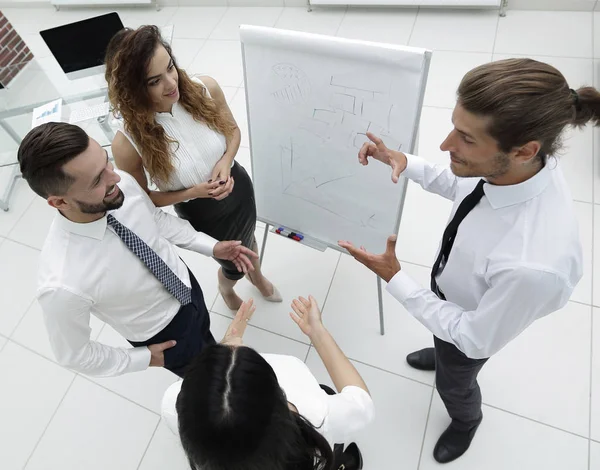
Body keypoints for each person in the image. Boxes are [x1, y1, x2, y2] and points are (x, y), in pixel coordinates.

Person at [339, 58, 589, 463]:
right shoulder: (517, 168)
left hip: (474, 321)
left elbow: (474, 336)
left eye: (466, 139)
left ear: (524, 150)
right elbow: (463, 183)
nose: (445, 145)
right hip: (453, 294)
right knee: (443, 338)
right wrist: (407, 163)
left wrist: (396, 278)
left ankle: (465, 420)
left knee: (455, 381)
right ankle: (441, 352)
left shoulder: (532, 266)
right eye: (455, 127)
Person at [18, 122, 258, 378]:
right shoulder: (61, 283)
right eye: (98, 179)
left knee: (207, 339)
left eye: (106, 160)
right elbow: (75, 355)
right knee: (210, 379)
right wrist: (143, 358)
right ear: (60, 202)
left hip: (186, 286)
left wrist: (211, 247)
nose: (116, 177)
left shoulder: (122, 188)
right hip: (164, 333)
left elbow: (156, 219)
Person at [105, 25, 280, 312]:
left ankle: (258, 277)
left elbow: (233, 131)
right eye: (154, 81)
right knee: (232, 263)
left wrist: (225, 162)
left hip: (238, 188)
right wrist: (194, 191)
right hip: (202, 212)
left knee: (249, 239)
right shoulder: (127, 143)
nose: (171, 83)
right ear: (133, 89)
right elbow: (145, 200)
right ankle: (227, 288)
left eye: (170, 67)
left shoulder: (204, 89)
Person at [161, 295, 375, 470]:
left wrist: (226, 349)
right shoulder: (314, 410)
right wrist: (317, 331)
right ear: (278, 397)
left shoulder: (171, 404)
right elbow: (361, 403)